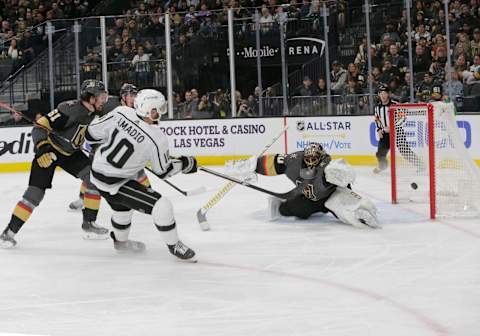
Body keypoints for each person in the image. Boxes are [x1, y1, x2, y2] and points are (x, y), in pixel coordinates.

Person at [85, 89, 197, 260]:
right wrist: (185, 164)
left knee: (122, 210)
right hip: (116, 182)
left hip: (96, 174)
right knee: (162, 206)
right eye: (160, 108)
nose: (161, 112)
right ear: (151, 110)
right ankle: (175, 246)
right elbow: (164, 170)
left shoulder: (121, 112)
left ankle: (121, 243)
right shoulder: (157, 138)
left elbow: (90, 134)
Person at [0, 80, 109, 248]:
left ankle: (89, 223)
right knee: (34, 195)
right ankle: (8, 233)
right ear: (91, 97)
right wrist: (43, 148)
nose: (104, 100)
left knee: (94, 179)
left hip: (71, 154)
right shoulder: (70, 109)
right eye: (101, 96)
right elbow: (38, 128)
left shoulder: (96, 114)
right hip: (49, 151)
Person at [235, 144, 379, 228]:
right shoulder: (293, 162)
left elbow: (348, 180)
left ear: (322, 157)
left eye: (314, 159)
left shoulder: (329, 167)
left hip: (331, 196)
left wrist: (354, 198)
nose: (311, 162)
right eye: (308, 159)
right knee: (288, 210)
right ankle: (279, 204)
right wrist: (252, 166)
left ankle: (354, 210)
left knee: (346, 214)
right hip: (309, 199)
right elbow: (273, 163)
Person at [68, 83, 152, 211]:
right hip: (102, 142)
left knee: (137, 170)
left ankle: (148, 192)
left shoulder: (137, 109)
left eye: (135, 95)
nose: (134, 98)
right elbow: (92, 118)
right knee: (92, 171)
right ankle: (82, 198)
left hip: (120, 145)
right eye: (131, 95)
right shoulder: (110, 105)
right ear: (124, 96)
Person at [373, 85, 398, 174]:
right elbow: (377, 119)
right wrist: (379, 129)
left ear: (388, 94)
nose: (383, 95)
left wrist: (394, 127)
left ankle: (420, 165)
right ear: (379, 95)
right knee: (380, 153)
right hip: (385, 134)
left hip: (397, 133)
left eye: (385, 93)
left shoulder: (395, 105)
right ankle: (382, 166)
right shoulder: (377, 107)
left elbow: (403, 117)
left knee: (405, 151)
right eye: (381, 93)